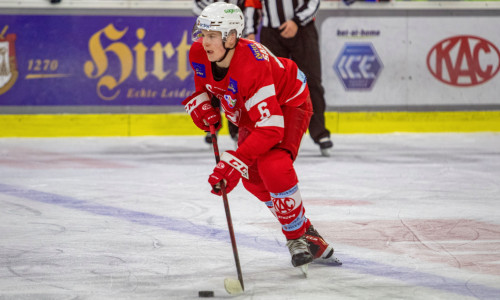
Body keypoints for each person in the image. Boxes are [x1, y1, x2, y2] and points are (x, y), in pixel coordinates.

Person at [182, 2, 341, 272]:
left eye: (212, 36)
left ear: (231, 37)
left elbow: (270, 128)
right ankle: (307, 232)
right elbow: (205, 85)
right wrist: (204, 105)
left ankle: (296, 239)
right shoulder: (198, 52)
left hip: (289, 102)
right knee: (253, 179)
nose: (204, 42)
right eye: (202, 34)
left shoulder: (251, 65)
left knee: (273, 165)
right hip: (250, 111)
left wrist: (233, 161)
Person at [244, 0, 334, 157]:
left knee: (312, 81)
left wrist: (296, 21)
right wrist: (250, 31)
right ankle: (274, 134)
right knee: (271, 85)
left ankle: (320, 133)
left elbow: (313, 2)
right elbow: (253, 4)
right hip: (271, 33)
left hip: (303, 30)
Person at [192, 0, 245, 145]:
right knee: (212, 81)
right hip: (214, 33)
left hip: (227, 39)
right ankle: (212, 125)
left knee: (235, 89)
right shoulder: (199, 49)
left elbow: (244, 9)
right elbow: (197, 5)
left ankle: (237, 130)